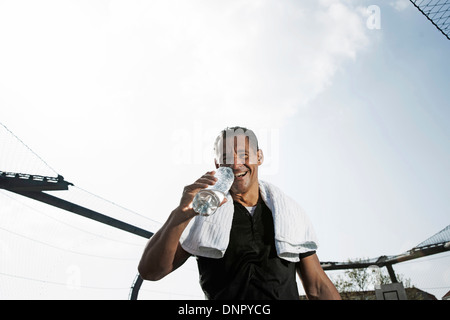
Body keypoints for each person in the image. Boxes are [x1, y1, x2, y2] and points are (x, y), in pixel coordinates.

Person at [138, 126, 341, 300]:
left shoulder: (288, 212)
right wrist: (180, 214)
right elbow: (150, 271)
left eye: (244, 154)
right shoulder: (202, 213)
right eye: (226, 158)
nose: (236, 164)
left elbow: (317, 287)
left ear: (259, 157)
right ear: (218, 165)